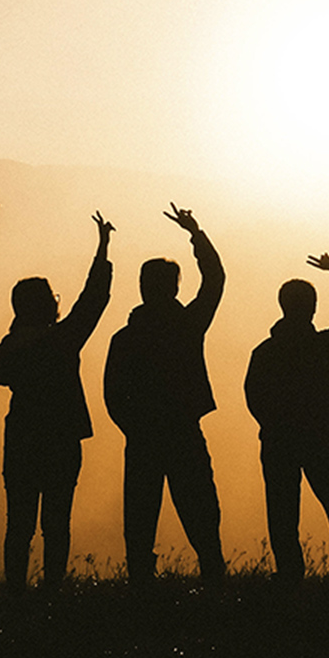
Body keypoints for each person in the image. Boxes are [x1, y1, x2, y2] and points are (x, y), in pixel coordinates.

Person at [0, 212, 114, 593]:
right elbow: (94, 300)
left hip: (22, 439)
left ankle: (15, 592)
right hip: (61, 440)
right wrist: (103, 249)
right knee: (57, 521)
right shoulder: (62, 341)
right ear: (48, 305)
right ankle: (53, 590)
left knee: (19, 523)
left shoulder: (7, 350)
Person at [102, 204, 227, 583]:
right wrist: (196, 232)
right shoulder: (187, 325)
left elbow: (112, 394)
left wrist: (133, 426)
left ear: (143, 287)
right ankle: (213, 576)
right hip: (183, 430)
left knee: (140, 514)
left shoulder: (126, 337)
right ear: (174, 287)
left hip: (142, 436)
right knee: (200, 510)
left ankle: (141, 582)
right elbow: (215, 279)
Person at [243, 253, 329, 585]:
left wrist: (274, 424)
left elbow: (253, 397)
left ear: (282, 306)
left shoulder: (265, 353)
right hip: (320, 441)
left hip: (277, 441)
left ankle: (289, 575)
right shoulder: (326, 348)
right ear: (313, 308)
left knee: (282, 513)